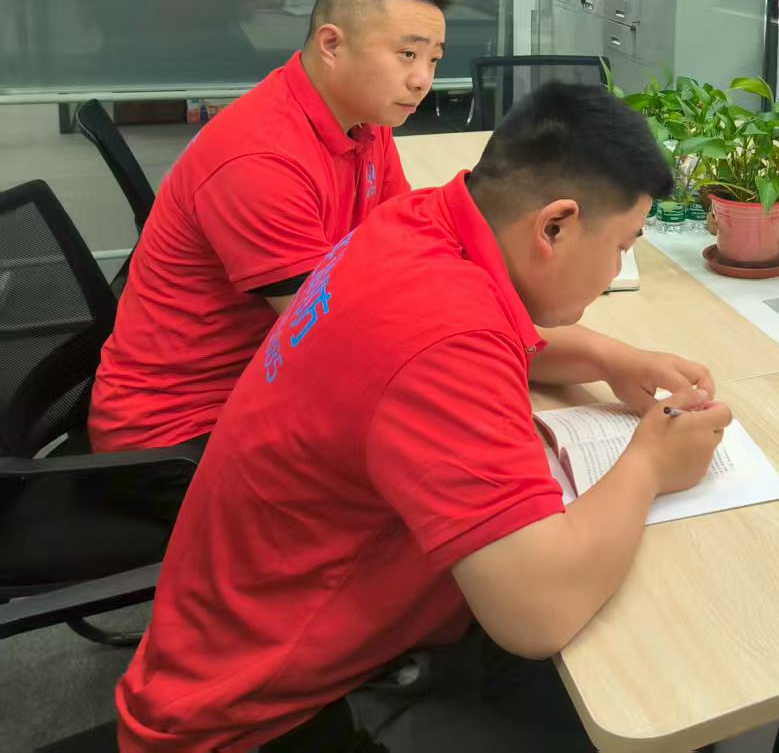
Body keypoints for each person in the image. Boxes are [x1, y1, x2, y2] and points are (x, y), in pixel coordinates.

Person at [114, 83, 730, 751]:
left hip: (260, 633)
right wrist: (650, 463)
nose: (614, 271)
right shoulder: (445, 337)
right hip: (262, 716)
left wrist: (612, 357)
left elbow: (485, 332)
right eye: (621, 245)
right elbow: (537, 611)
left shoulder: (418, 223)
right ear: (554, 226)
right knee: (647, 700)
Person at [89, 0, 447, 453]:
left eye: (433, 60)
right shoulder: (261, 158)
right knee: (434, 456)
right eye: (407, 54)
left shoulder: (367, 120)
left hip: (266, 381)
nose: (422, 80)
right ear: (331, 44)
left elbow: (406, 242)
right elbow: (332, 339)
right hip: (178, 432)